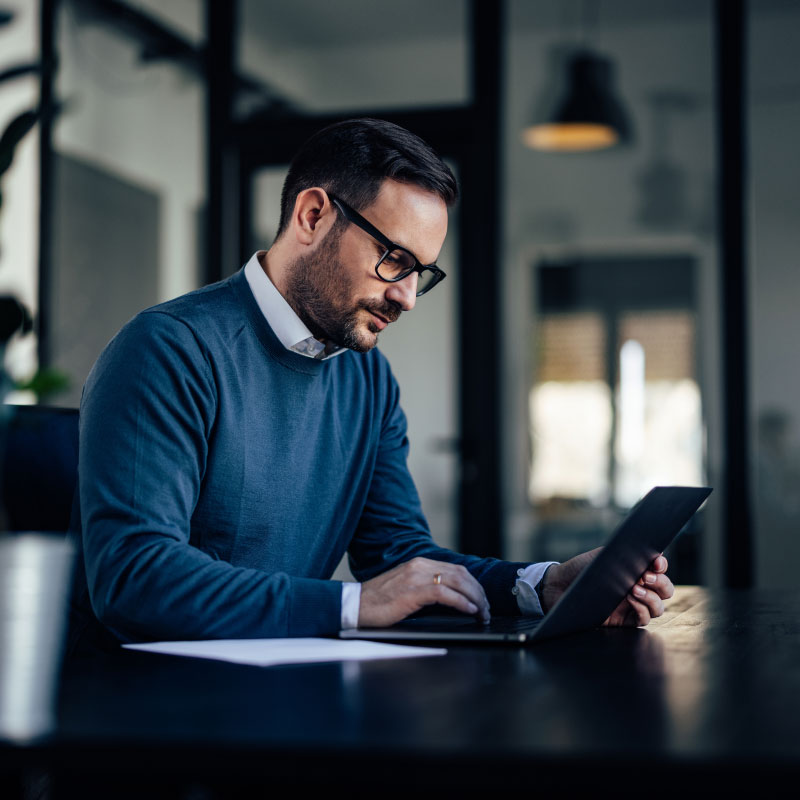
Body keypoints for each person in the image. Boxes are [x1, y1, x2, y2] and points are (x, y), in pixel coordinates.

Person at [68, 118, 672, 653]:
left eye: (421, 274)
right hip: (142, 722)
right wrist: (352, 606)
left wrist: (546, 586)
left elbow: (399, 556)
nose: (407, 297)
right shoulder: (167, 350)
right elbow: (135, 578)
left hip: (273, 705)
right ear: (312, 216)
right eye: (394, 260)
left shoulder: (367, 376)